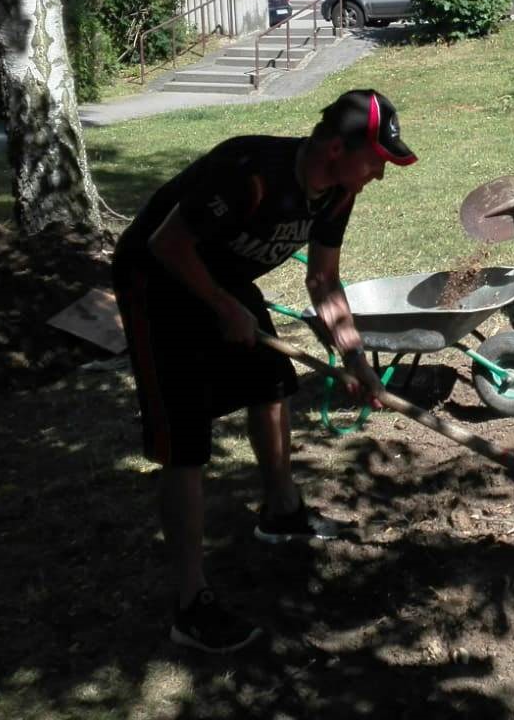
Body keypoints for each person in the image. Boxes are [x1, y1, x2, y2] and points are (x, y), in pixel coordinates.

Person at [112, 88, 415, 652]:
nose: (379, 173)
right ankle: (189, 604)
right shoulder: (248, 172)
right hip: (155, 280)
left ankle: (281, 511)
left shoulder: (336, 194)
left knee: (273, 383)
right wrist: (224, 308)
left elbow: (323, 282)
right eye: (375, 159)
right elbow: (168, 243)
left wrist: (356, 361)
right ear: (332, 148)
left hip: (220, 279)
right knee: (185, 440)